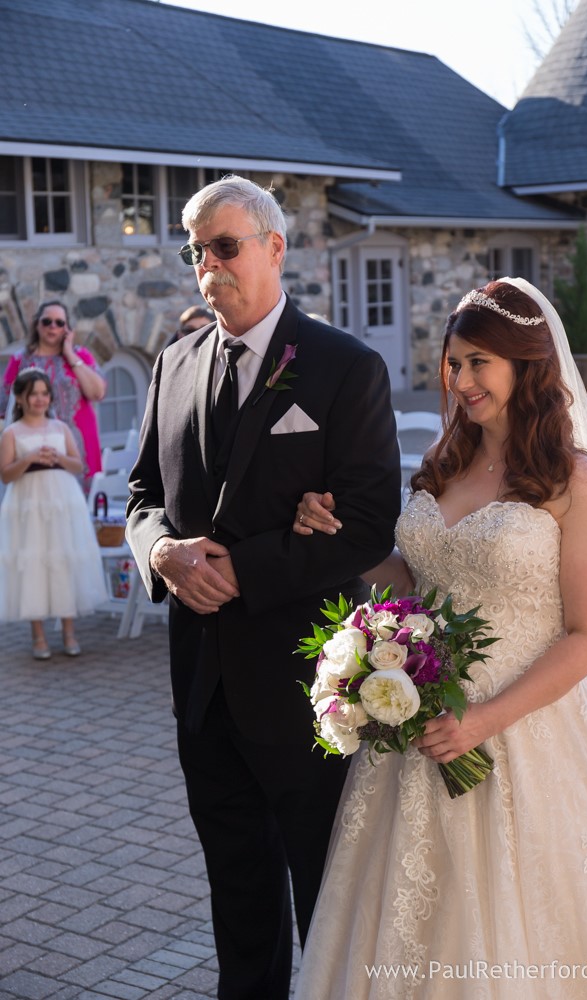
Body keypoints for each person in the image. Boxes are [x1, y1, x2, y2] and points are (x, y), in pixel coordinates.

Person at [292, 278, 587, 999]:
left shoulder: (574, 483)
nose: (459, 380)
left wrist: (484, 719)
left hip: (526, 734)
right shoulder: (443, 466)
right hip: (421, 729)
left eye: (478, 362)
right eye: (452, 362)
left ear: (526, 366)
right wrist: (343, 540)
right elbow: (414, 585)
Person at [125, 174, 401, 1000]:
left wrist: (239, 570)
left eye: (225, 245)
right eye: (195, 250)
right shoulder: (173, 364)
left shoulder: (344, 368)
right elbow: (141, 497)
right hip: (201, 688)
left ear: (275, 248)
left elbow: (365, 520)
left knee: (326, 892)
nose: (207, 265)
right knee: (237, 895)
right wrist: (165, 555)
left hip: (306, 686)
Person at [0, 368, 107, 658]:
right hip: (27, 502)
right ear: (20, 398)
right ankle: (38, 635)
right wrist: (29, 458)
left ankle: (69, 631)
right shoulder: (11, 432)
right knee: (33, 560)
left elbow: (78, 465)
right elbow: (6, 475)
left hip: (62, 500)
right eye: (33, 393)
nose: (40, 399)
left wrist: (58, 457)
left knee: (63, 558)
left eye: (44, 393)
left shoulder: (60, 428)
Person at [0, 300, 106, 492]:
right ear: (36, 324)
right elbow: (4, 406)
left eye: (59, 323)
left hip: (78, 442)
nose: (53, 327)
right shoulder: (20, 359)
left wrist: (69, 354)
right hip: (34, 445)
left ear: (67, 328)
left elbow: (97, 393)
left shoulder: (80, 354)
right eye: (47, 321)